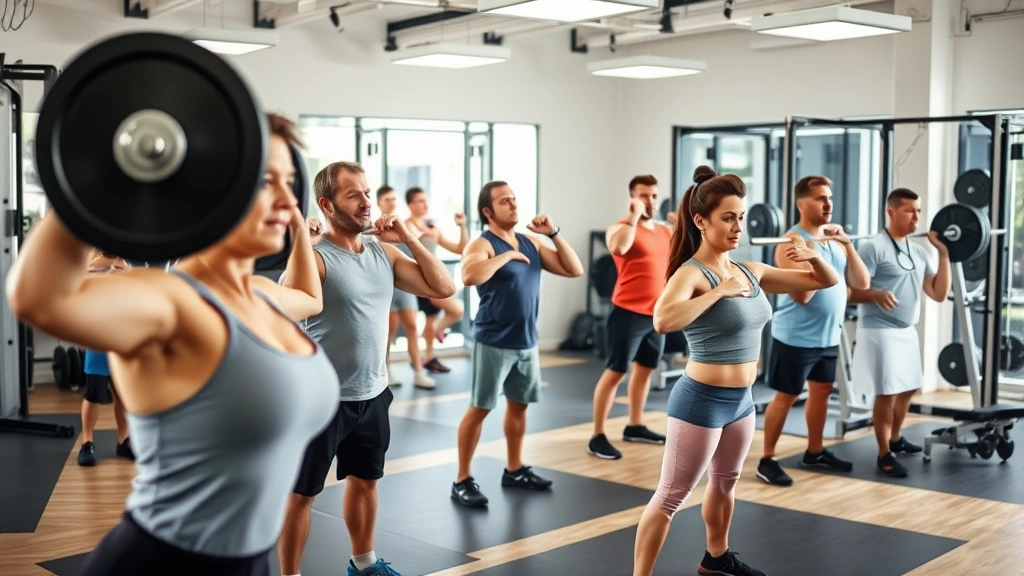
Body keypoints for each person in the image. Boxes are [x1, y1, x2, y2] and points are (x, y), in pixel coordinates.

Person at [6, 113, 341, 576]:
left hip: (250, 562)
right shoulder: (172, 300)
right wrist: (97, 178)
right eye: (265, 182)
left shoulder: (260, 295)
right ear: (203, 194)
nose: (286, 198)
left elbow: (309, 297)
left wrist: (296, 226)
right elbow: (38, 298)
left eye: (289, 182)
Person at [632, 166, 839, 576]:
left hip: (741, 402)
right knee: (672, 495)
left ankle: (717, 559)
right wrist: (718, 291)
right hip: (700, 401)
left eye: (740, 217)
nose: (737, 226)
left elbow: (825, 281)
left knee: (725, 483)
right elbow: (662, 320)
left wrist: (816, 254)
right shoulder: (691, 273)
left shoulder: (751, 271)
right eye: (728, 217)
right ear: (700, 221)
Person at [277, 162, 456, 576]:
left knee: (365, 480)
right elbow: (283, 307)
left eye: (367, 193)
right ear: (327, 204)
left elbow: (444, 288)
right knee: (302, 494)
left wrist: (408, 235)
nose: (366, 203)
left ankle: (364, 564)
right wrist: (302, 242)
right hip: (321, 401)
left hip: (372, 393)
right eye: (353, 195)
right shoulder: (315, 261)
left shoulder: (383, 252)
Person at [449, 180, 584, 507]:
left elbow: (574, 269)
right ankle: (462, 479)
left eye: (514, 199)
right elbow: (469, 277)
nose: (513, 205)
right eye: (504, 201)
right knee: (480, 408)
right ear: (488, 211)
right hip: (493, 339)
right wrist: (505, 255)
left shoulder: (531, 242)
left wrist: (552, 234)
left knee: (519, 405)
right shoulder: (482, 244)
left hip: (526, 340)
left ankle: (514, 469)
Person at [756, 176, 870, 486]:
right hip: (795, 336)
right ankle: (767, 458)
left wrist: (846, 243)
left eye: (829, 197)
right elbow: (802, 294)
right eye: (820, 198)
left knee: (820, 392)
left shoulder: (834, 240)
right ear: (801, 204)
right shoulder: (790, 242)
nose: (828, 203)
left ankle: (815, 451)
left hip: (828, 336)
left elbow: (861, 283)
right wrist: (810, 254)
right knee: (787, 396)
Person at [848, 188, 950, 478]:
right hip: (879, 330)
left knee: (907, 388)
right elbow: (848, 291)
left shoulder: (918, 251)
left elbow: (939, 293)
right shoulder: (873, 247)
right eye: (909, 210)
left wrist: (944, 254)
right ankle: (884, 454)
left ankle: (896, 437)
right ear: (891, 212)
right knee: (888, 392)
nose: (916, 216)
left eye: (918, 210)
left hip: (906, 331)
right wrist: (874, 295)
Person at [589, 175, 671, 460]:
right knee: (616, 372)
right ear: (632, 198)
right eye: (644, 196)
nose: (650, 201)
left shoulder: (664, 231)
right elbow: (618, 248)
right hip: (627, 312)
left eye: (653, 196)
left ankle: (635, 425)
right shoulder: (621, 228)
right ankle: (597, 435)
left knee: (647, 369)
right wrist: (634, 217)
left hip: (656, 314)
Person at [76, 250, 135, 467]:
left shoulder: (125, 265)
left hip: (120, 338)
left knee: (122, 393)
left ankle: (123, 440)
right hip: (97, 337)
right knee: (94, 393)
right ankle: (86, 443)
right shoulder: (90, 263)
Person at [404, 187, 468, 374]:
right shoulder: (406, 225)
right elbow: (406, 242)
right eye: (420, 201)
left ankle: (429, 357)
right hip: (415, 281)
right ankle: (423, 354)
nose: (425, 204)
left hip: (431, 279)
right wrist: (417, 234)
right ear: (410, 205)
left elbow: (460, 248)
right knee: (455, 310)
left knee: (431, 320)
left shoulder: (433, 229)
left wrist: (461, 225)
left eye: (426, 200)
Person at [376, 185, 434, 389]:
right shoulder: (374, 230)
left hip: (406, 289)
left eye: (394, 199)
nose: (392, 203)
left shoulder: (402, 225)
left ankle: (419, 372)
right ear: (379, 203)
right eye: (387, 199)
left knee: (412, 327)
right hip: (390, 288)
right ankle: (386, 370)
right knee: (388, 332)